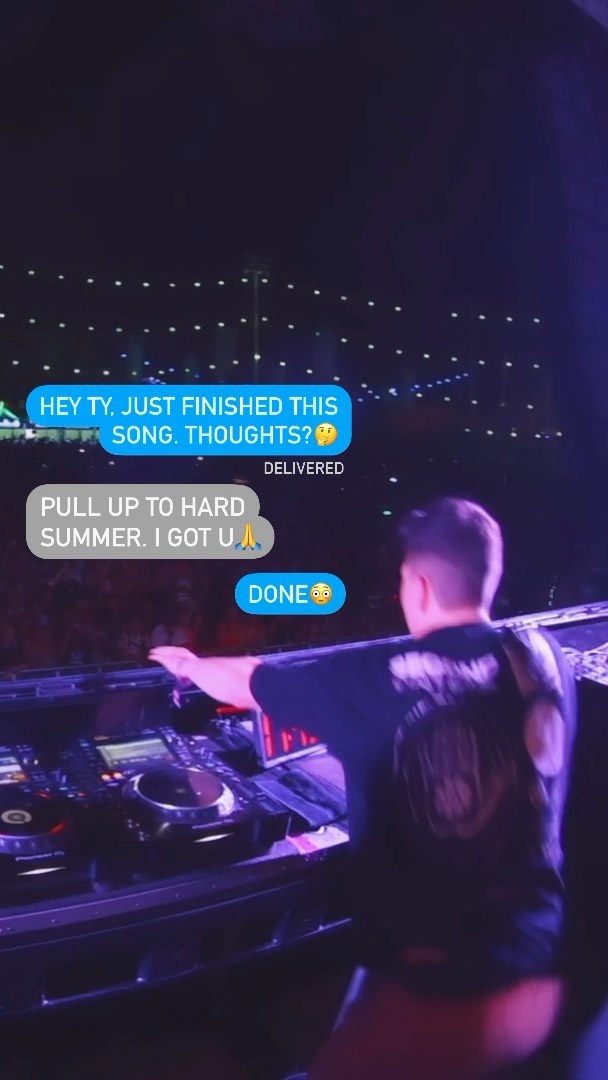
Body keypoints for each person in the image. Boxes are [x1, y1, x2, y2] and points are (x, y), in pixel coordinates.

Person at [149, 497, 577, 1079]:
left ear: (418, 586)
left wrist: (187, 664)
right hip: (541, 966)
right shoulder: (544, 656)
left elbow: (247, 680)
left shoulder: (374, 677)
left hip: (438, 994)